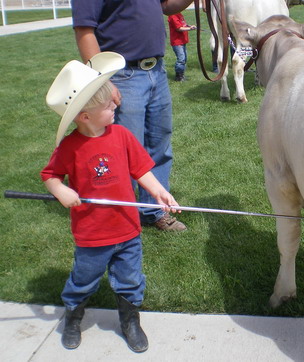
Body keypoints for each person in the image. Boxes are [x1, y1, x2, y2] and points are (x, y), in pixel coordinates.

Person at [41, 52, 181, 353]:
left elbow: (141, 169)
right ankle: (73, 316)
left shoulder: (122, 135)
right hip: (92, 235)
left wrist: (158, 191)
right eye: (108, 105)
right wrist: (60, 190)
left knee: (130, 279)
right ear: (84, 116)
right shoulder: (70, 148)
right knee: (83, 280)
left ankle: (130, 320)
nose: (116, 104)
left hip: (128, 229)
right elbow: (51, 175)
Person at [71, 0, 196, 232]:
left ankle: (153, 211)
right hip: (121, 75)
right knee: (123, 150)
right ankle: (119, 215)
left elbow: (167, 5)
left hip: (157, 71)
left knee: (159, 144)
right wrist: (102, 80)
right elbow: (84, 29)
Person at [168, 12, 196, 81]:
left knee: (184, 58)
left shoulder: (179, 14)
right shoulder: (173, 15)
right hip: (177, 42)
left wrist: (189, 26)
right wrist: (190, 29)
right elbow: (179, 28)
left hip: (182, 41)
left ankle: (182, 75)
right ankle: (179, 77)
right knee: (181, 59)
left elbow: (183, 24)